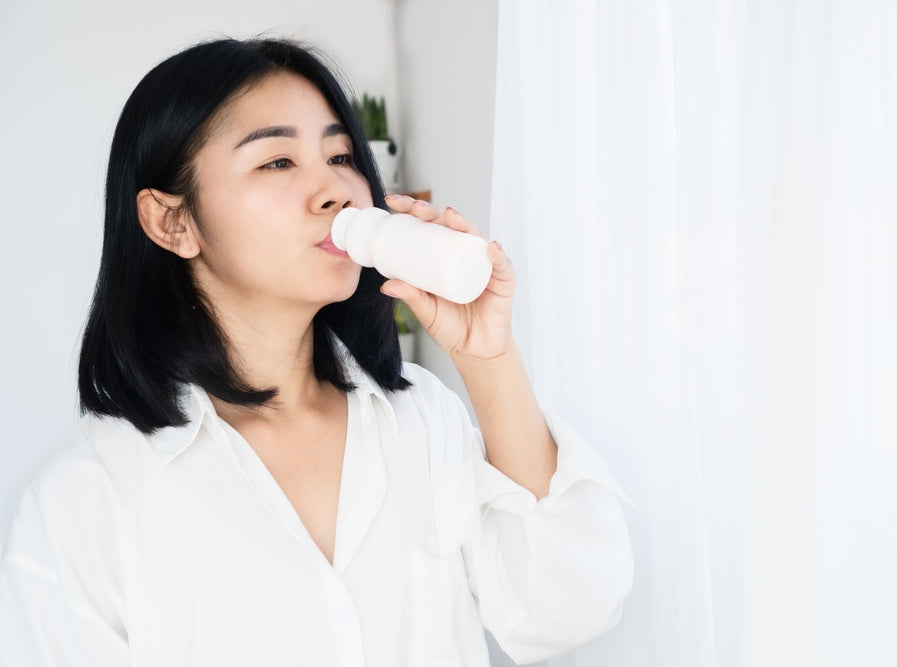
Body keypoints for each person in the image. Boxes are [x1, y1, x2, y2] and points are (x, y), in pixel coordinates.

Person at [0, 37, 632, 666]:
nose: (334, 190)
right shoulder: (84, 498)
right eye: (278, 161)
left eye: (340, 154)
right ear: (174, 222)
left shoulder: (419, 421)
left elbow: (569, 608)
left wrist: (489, 362)